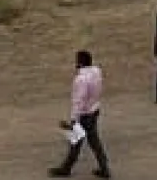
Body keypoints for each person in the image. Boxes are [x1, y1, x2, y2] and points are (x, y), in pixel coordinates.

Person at [48, 50, 111, 179]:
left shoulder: (81, 80)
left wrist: (73, 119)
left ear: (80, 62)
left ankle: (67, 168)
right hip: (94, 110)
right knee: (91, 141)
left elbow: (79, 101)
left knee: (77, 141)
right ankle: (103, 167)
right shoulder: (96, 71)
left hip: (84, 115)